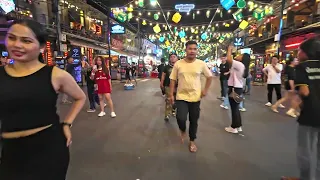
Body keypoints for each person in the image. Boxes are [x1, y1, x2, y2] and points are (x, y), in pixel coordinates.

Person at [0, 19, 86, 180]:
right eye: (12, 38)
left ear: (41, 47)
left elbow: (80, 97)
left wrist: (67, 123)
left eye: (26, 41)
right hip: (9, 152)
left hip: (48, 149)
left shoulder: (55, 75)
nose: (17, 45)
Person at [281, 37, 320, 180]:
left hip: (310, 114)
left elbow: (304, 91)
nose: (297, 54)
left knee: (305, 150)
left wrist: (299, 100)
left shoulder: (302, 67)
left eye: (299, 51)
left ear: (306, 52)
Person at [169, 41, 213, 153]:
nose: (192, 51)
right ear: (186, 50)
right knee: (180, 118)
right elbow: (173, 79)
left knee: (194, 120)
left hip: (195, 97)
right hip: (181, 96)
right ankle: (183, 130)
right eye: (190, 48)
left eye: (194, 49)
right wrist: (171, 94)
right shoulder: (178, 64)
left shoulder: (201, 64)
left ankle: (192, 140)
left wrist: (205, 90)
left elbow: (210, 77)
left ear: (197, 51)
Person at [224, 45, 250, 134]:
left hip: (234, 89)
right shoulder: (242, 67)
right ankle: (238, 126)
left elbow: (228, 59)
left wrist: (229, 50)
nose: (238, 56)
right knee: (236, 108)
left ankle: (233, 127)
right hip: (238, 89)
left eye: (240, 55)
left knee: (234, 108)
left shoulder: (239, 64)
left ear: (243, 58)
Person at [160, 53, 178, 121]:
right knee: (168, 100)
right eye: (171, 57)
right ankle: (167, 114)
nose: (173, 58)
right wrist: (161, 83)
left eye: (174, 57)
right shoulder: (166, 67)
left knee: (175, 100)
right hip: (168, 86)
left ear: (177, 58)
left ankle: (173, 110)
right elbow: (163, 75)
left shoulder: (179, 67)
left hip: (177, 87)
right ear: (169, 59)